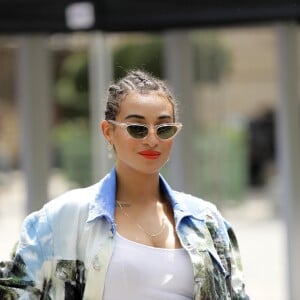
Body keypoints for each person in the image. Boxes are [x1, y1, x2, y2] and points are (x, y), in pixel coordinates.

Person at [0, 70, 249, 299]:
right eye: (137, 128)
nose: (152, 139)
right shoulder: (64, 217)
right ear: (108, 131)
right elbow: (12, 290)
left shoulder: (207, 221)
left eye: (164, 129)